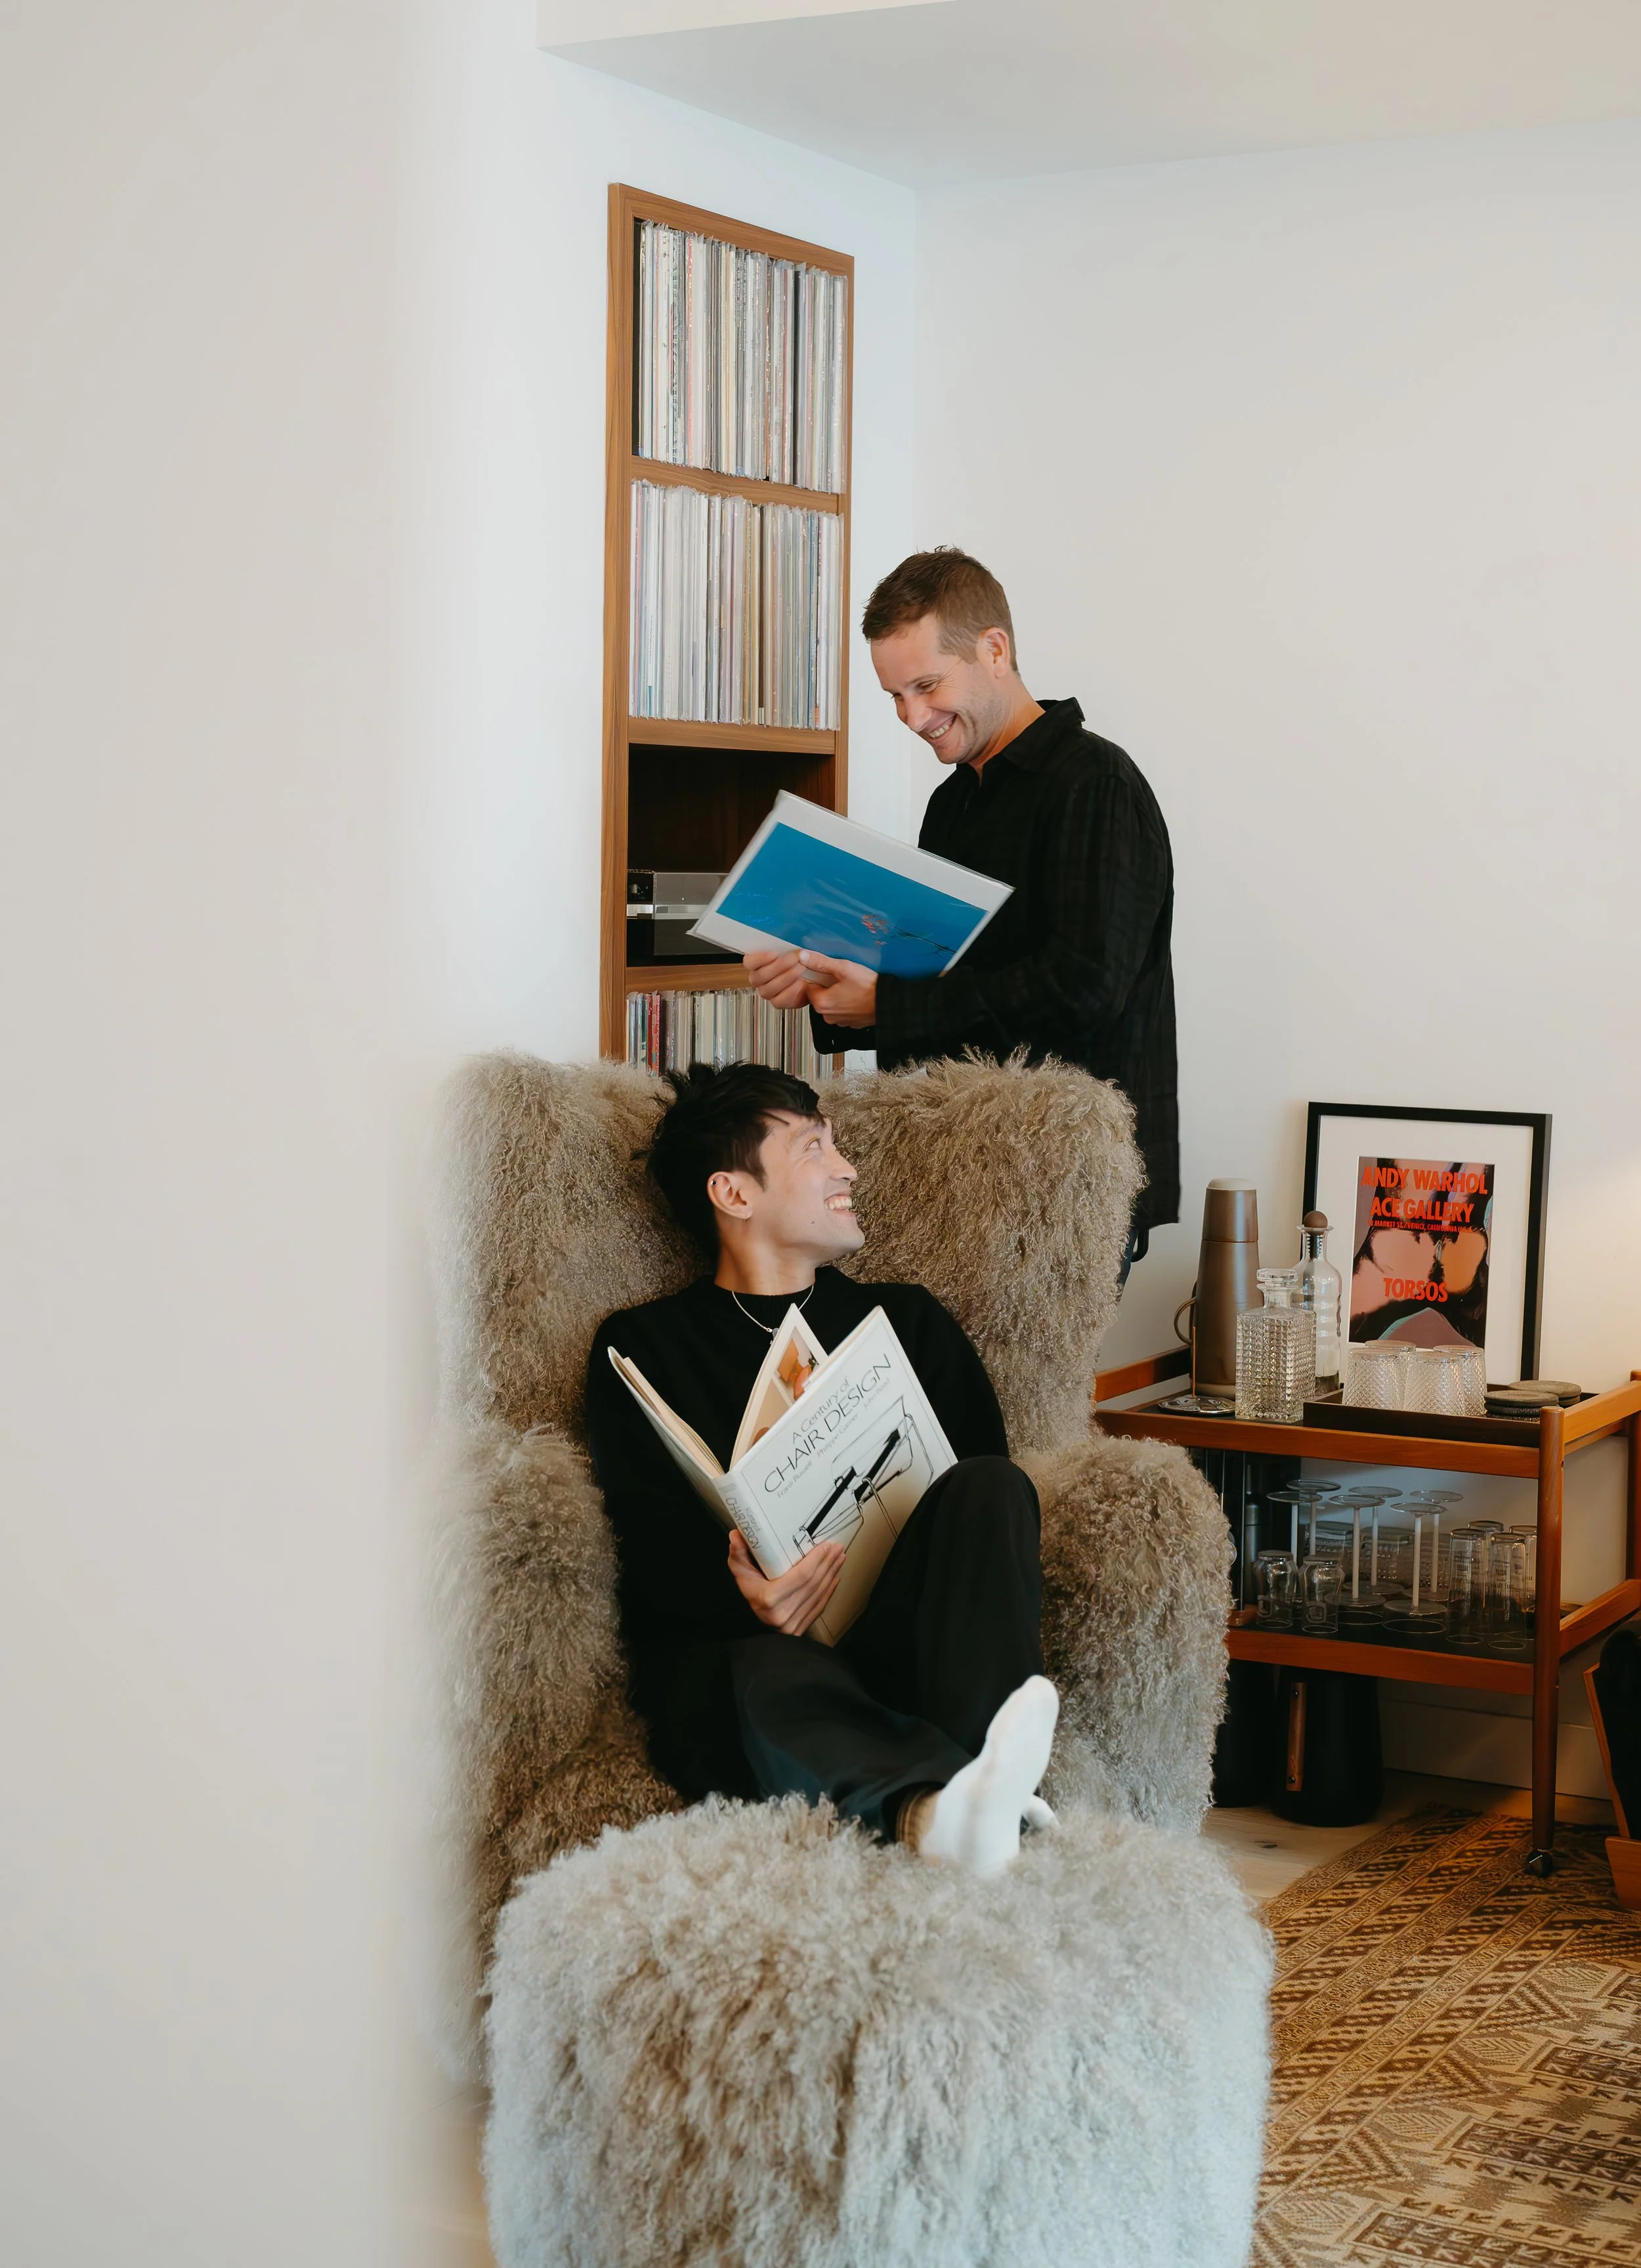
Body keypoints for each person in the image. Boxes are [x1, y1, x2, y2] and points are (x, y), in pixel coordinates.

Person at [584, 1062, 1059, 1878]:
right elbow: (640, 1547)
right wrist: (743, 1598)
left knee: (992, 1486)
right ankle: (938, 1811)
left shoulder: (907, 1320)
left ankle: (979, 1791)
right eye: (814, 1149)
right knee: (760, 1668)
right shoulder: (643, 1347)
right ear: (734, 1193)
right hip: (759, 1663)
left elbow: (985, 1528)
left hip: (910, 1646)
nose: (848, 1170)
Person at [745, 547, 1178, 1271]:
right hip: (964, 1166)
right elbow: (941, 990)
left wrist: (887, 1004)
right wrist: (828, 985)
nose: (913, 717)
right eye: (895, 696)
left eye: (927, 685)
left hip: (1069, 1173)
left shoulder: (1095, 783)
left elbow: (1085, 988)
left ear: (995, 651)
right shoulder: (952, 804)